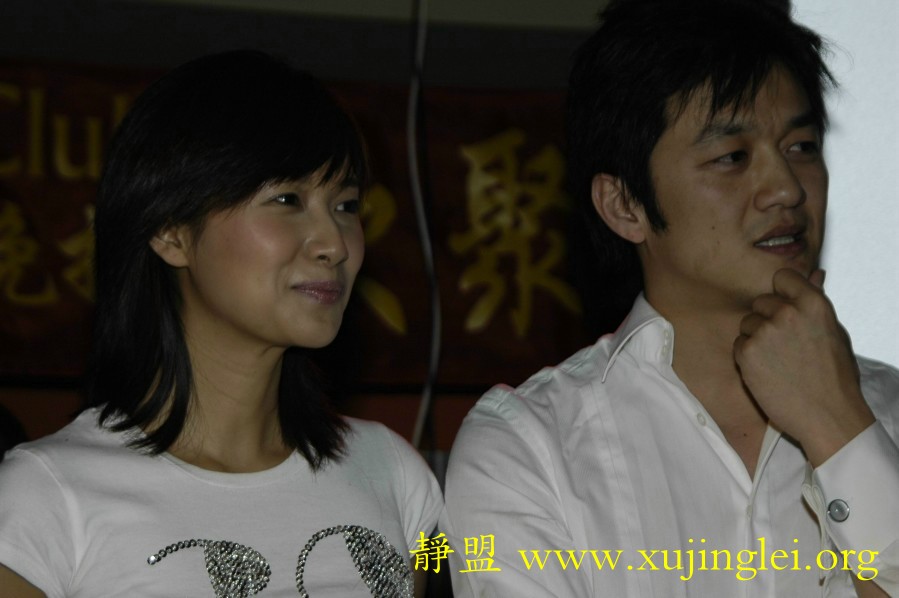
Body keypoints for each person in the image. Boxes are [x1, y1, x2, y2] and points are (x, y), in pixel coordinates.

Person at [441, 1, 899, 596]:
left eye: (802, 146)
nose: (787, 189)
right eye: (732, 157)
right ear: (624, 205)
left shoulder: (886, 410)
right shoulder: (530, 447)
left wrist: (838, 427)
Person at [0, 50, 442, 597]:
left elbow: (471, 565)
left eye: (346, 205)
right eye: (287, 199)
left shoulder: (395, 473)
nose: (334, 243)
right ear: (171, 232)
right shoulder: (44, 497)